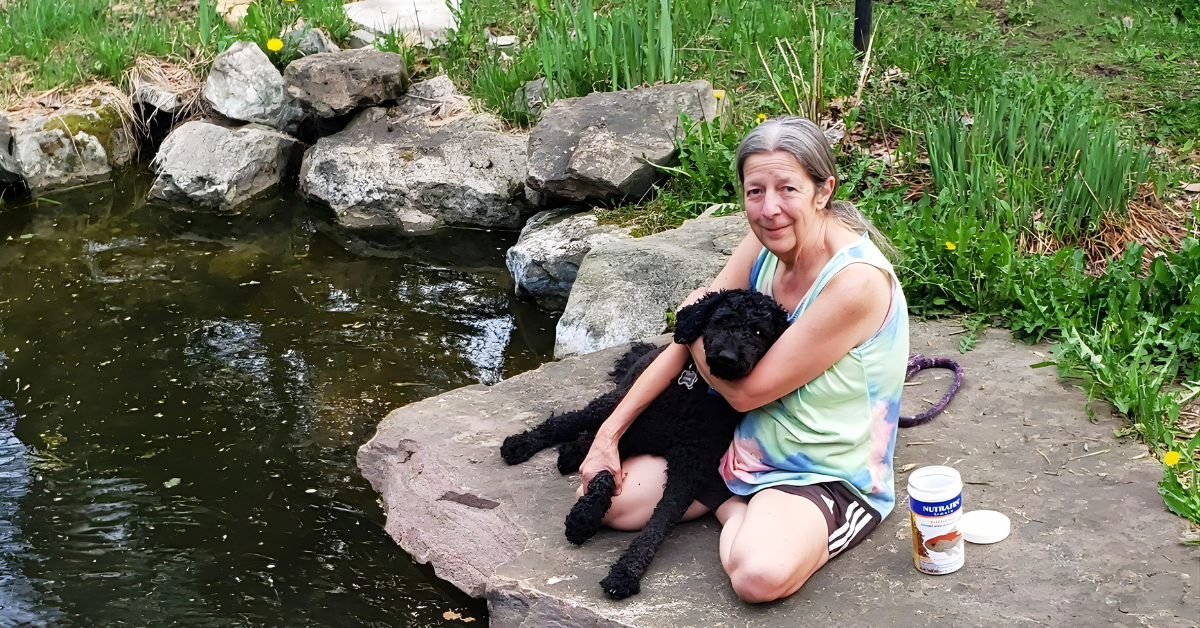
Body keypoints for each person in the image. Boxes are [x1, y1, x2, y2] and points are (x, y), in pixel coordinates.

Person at [575, 116, 909, 603]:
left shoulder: (855, 282)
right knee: (602, 503)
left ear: (823, 189)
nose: (770, 208)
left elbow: (741, 383)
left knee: (758, 577)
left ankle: (733, 509)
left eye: (787, 188)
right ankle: (732, 498)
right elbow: (685, 337)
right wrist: (609, 435)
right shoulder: (765, 242)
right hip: (736, 442)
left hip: (820, 470)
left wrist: (694, 318)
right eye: (755, 191)